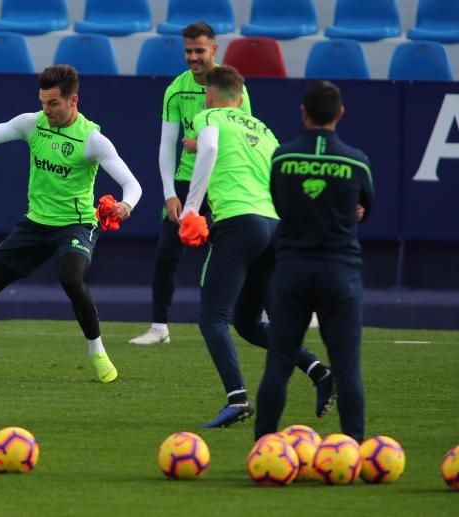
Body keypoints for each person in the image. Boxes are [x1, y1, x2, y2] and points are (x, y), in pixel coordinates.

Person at [0, 64, 142, 383]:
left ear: (73, 101)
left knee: (71, 279)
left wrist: (126, 204)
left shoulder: (92, 140)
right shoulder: (32, 124)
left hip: (76, 225)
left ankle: (97, 351)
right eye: (43, 102)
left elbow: (133, 184)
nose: (46, 110)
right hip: (35, 225)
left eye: (53, 103)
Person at [178, 66, 335, 428]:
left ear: (210, 94)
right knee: (248, 322)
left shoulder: (208, 116)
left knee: (213, 318)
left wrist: (190, 209)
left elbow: (212, 147)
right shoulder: (263, 129)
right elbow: (281, 175)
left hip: (237, 221)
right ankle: (319, 372)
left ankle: (237, 399)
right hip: (273, 225)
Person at [256, 82, 372, 443]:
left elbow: (278, 203)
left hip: (291, 270)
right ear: (340, 114)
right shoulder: (356, 161)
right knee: (347, 369)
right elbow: (363, 210)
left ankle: (263, 447)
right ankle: (353, 451)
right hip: (340, 272)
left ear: (303, 113)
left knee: (279, 363)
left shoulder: (283, 158)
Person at [131, 21, 253, 346]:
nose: (193, 57)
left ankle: (256, 311)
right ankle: (159, 328)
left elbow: (244, 137)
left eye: (199, 50)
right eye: (188, 51)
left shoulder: (232, 87)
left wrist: (199, 144)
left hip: (223, 181)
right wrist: (170, 194)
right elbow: (166, 145)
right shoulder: (175, 89)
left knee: (240, 250)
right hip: (186, 182)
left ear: (215, 50)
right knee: (167, 253)